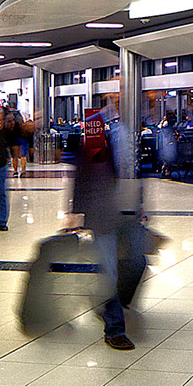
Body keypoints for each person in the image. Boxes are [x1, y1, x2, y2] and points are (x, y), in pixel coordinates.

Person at [65, 127, 137, 350]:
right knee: (108, 273)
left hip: (118, 217)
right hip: (102, 218)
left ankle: (102, 306)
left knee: (125, 266)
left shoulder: (113, 143)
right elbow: (83, 181)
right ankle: (115, 329)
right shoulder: (94, 145)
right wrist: (75, 213)